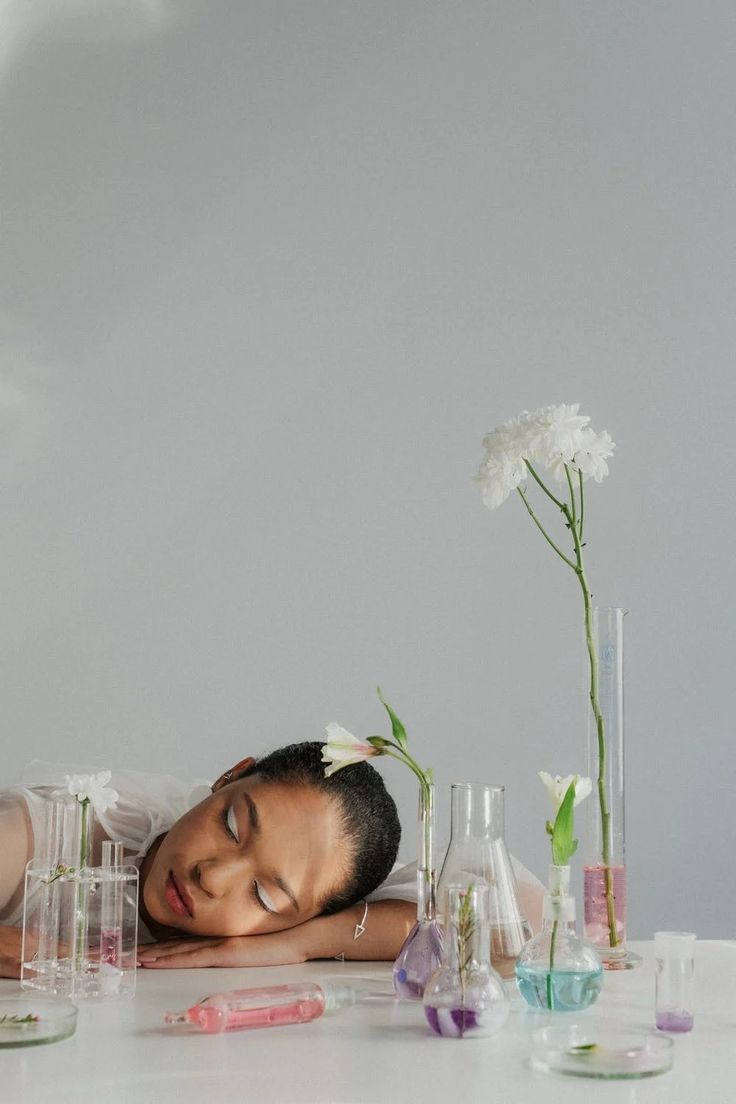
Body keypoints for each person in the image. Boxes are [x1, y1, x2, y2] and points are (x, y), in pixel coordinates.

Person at [0, 743, 543, 978]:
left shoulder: (305, 919)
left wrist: (299, 944)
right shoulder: (69, 826)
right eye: (231, 824)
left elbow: (512, 918)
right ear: (227, 777)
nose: (211, 875)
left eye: (265, 896)